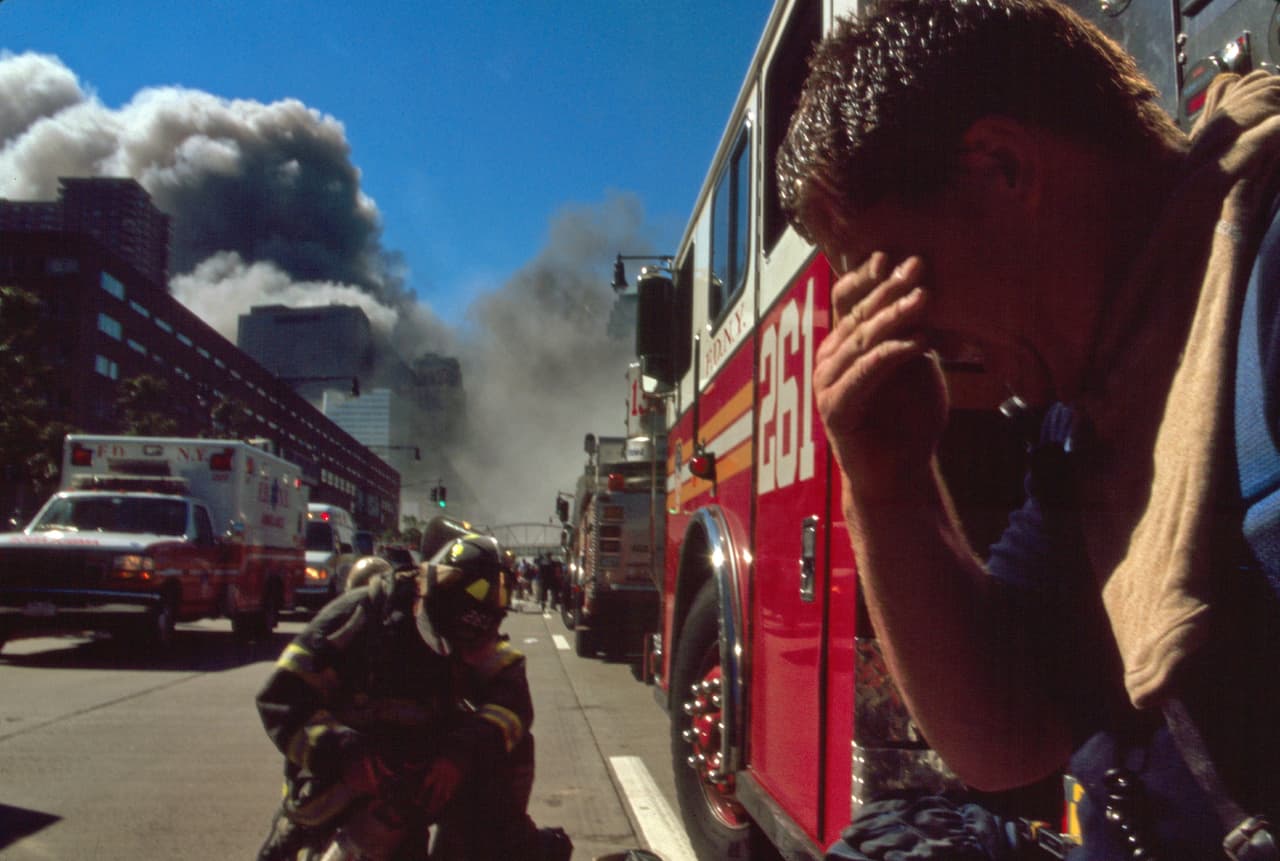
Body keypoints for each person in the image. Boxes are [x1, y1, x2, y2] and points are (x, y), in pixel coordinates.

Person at [776, 1, 1280, 857]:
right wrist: (888, 483)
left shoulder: (1263, 302)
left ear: (1001, 168)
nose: (920, 338)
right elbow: (1003, 735)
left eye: (895, 271)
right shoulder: (1087, 424)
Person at [254, 532, 571, 861]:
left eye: (472, 644)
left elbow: (511, 701)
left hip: (414, 776)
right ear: (430, 596)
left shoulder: (473, 633)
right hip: (342, 770)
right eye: (454, 640)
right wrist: (345, 754)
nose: (461, 654)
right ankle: (298, 833)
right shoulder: (360, 617)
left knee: (511, 754)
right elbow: (280, 696)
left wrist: (459, 755)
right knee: (335, 822)